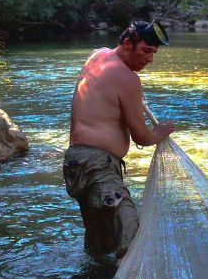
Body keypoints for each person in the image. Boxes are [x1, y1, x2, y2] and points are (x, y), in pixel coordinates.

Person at [63, 20, 175, 260]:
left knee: (100, 246)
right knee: (130, 236)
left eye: (154, 53)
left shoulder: (98, 56)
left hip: (76, 165)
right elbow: (142, 137)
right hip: (98, 169)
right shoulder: (128, 78)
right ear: (127, 43)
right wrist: (161, 132)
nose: (149, 59)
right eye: (145, 50)